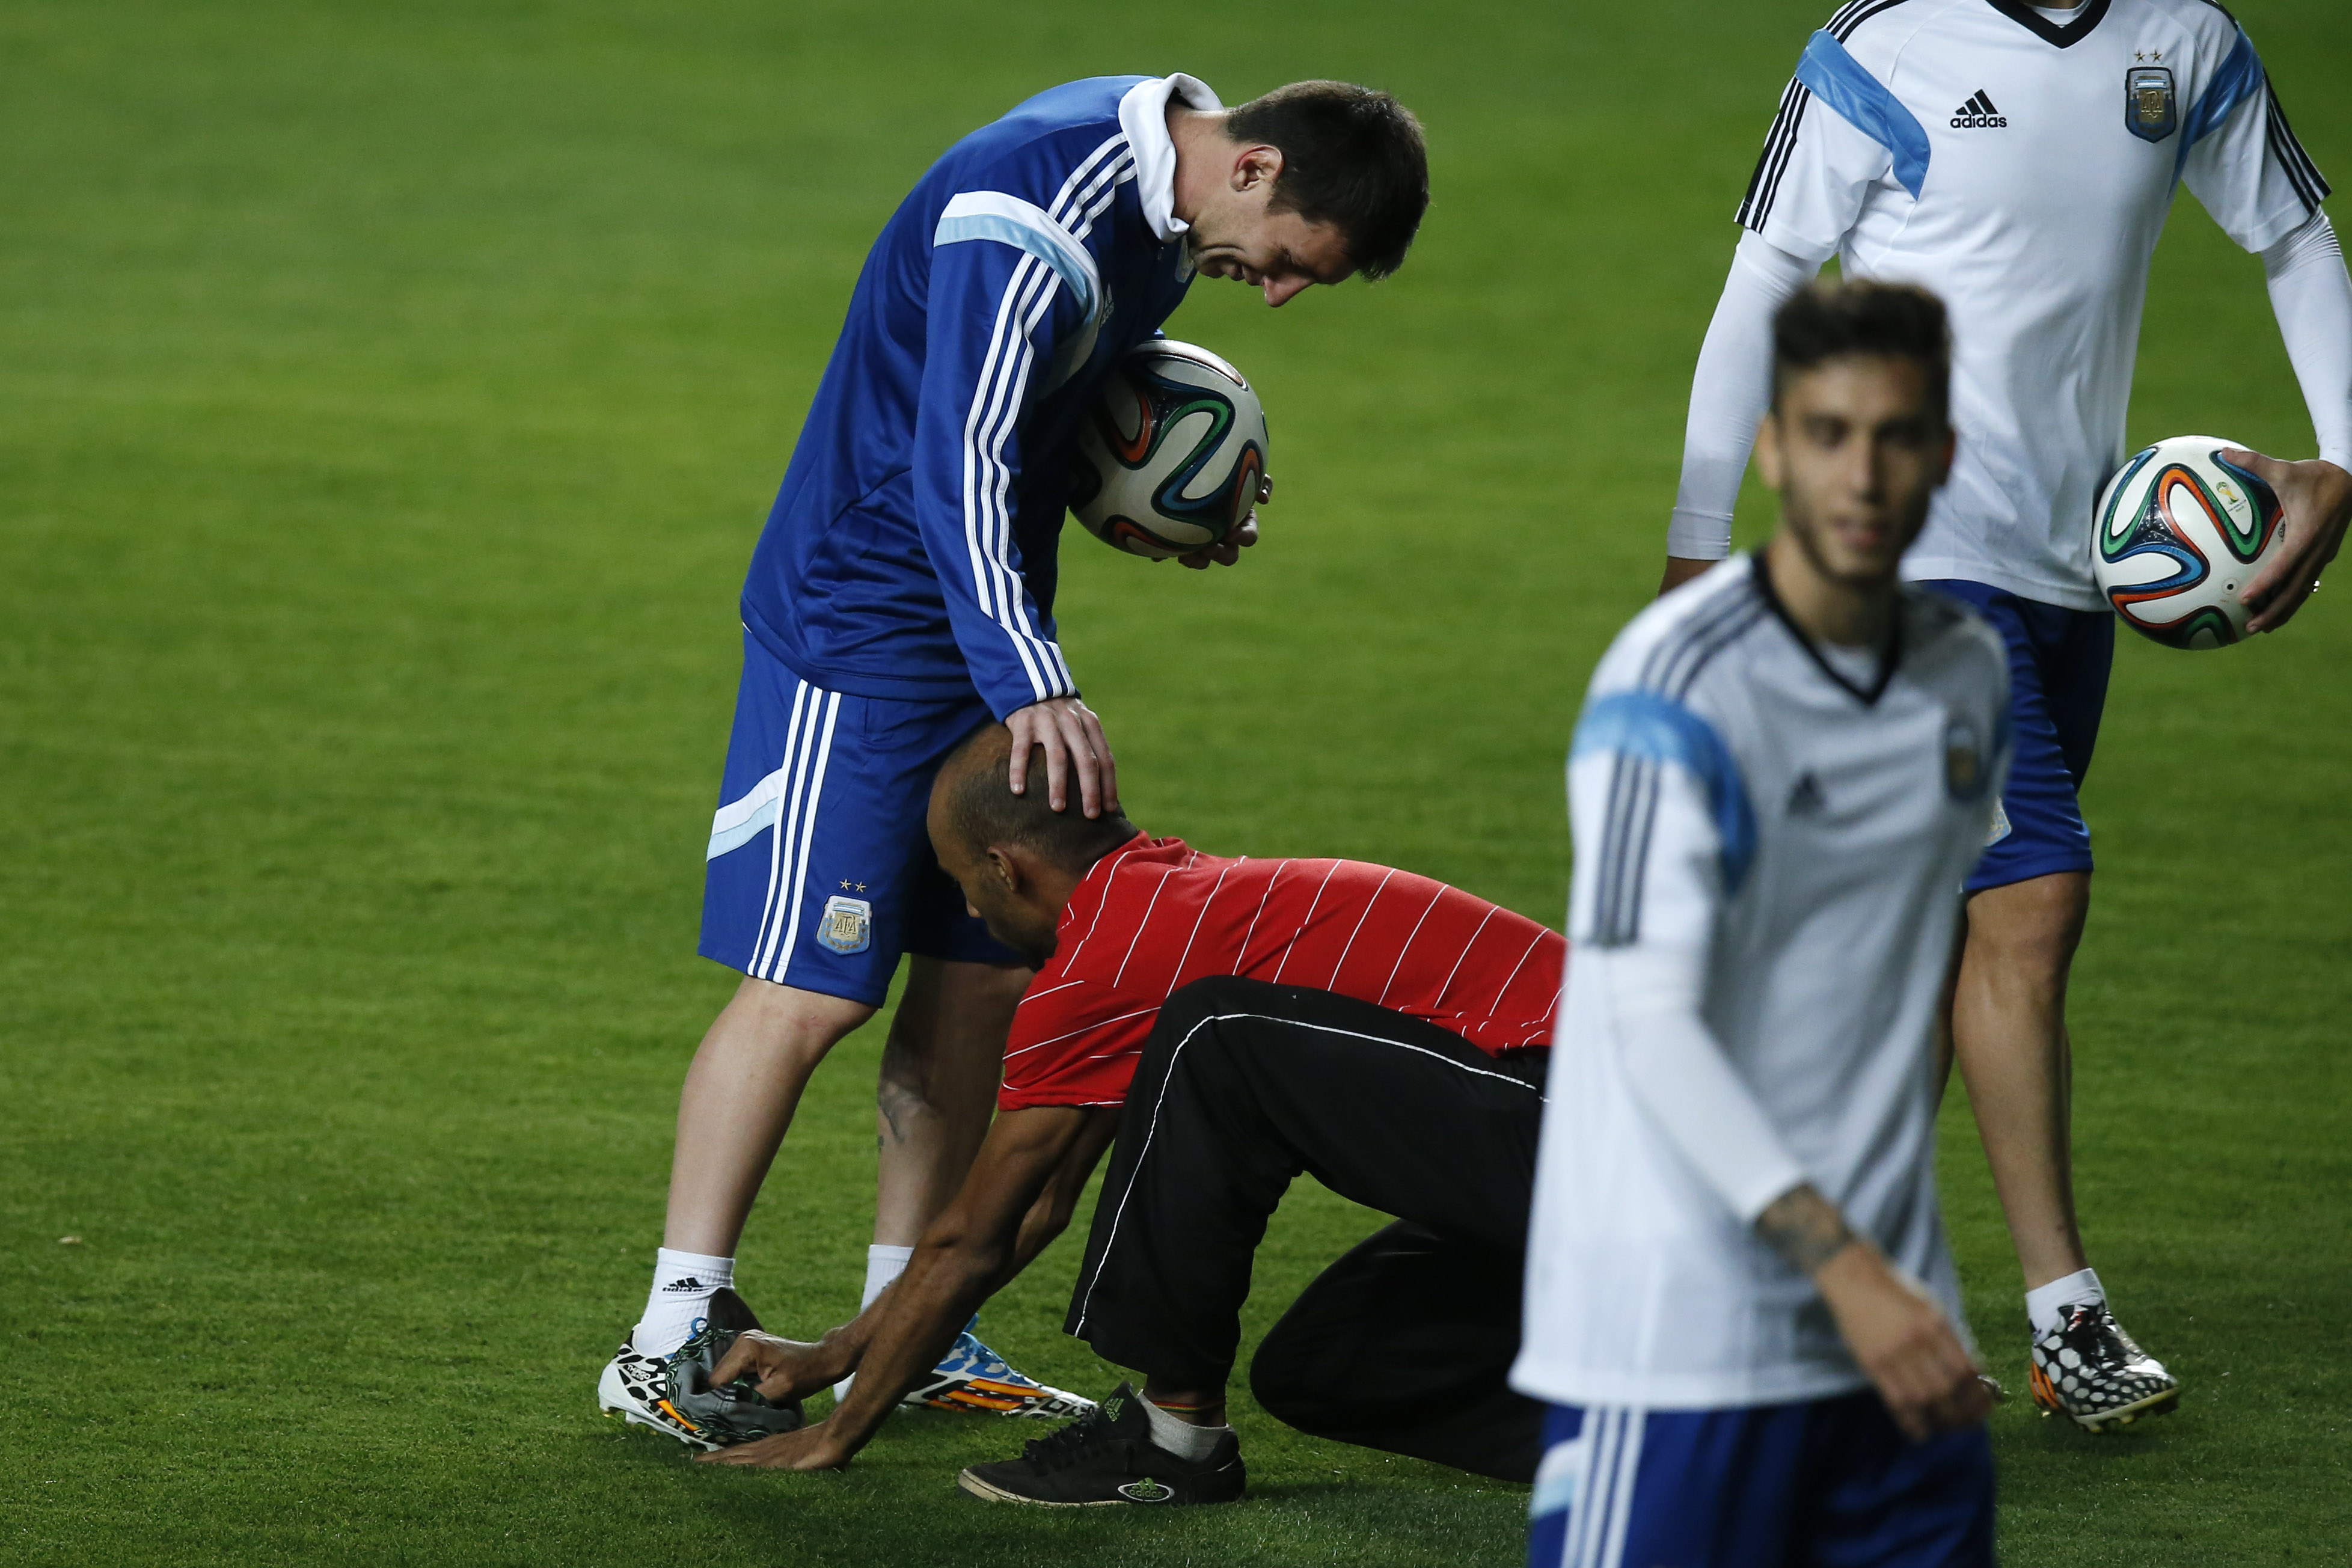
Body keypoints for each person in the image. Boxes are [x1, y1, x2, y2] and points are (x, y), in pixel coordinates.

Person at [596, 76, 1431, 1441]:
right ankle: (669, 1332)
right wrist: (1036, 679)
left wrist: (1177, 483)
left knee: (980, 979)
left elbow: (1068, 398)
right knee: (813, 985)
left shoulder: (1164, 207)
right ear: (1255, 166)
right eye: (1285, 262)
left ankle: (908, 1331)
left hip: (988, 638)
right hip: (861, 630)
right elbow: (962, 457)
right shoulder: (1031, 207)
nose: (1272, 294)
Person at [1658, 0, 2351, 1429]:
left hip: (2069, 567)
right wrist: (1698, 538)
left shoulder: (2189, 42)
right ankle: (2067, 1317)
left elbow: (2290, 236)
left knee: (1934, 941)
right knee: (2034, 898)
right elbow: (1770, 266)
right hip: (1898, 558)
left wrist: (2348, 457)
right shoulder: (1888, 39)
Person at [690, 722, 1566, 1504]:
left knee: (1217, 1036)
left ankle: (1171, 1436)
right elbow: (1032, 1208)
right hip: (1575, 1147)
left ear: (1006, 867)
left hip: (1615, 1114)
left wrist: (837, 1436)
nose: (967, 908)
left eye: (965, 882)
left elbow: (976, 1235)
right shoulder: (1163, 914)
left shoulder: (1110, 965)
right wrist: (837, 1353)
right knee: (1325, 1368)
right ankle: (1647, 1446)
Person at [1516, 280, 2007, 1567]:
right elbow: (1643, 1013)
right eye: (1829, 432)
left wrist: (1883, 1278)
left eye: (1898, 435)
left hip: (1899, 1335)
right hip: (1679, 1338)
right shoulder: (1677, 683)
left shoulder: (1968, 673)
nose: (1864, 473)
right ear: (1773, 445)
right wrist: (1841, 1266)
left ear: (1946, 449)